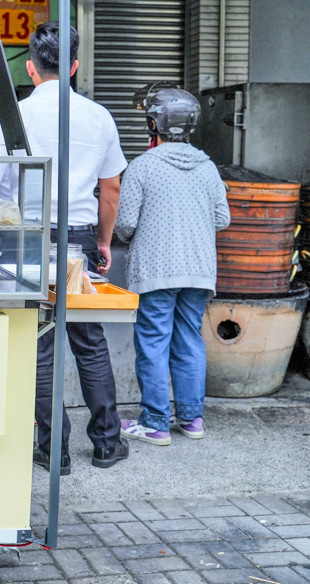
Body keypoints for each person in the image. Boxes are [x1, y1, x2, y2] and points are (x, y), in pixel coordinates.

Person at [0, 21, 129, 474]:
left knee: (39, 342)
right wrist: (102, 240)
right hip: (79, 236)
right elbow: (112, 190)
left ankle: (52, 449)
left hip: (26, 239)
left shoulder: (17, 113)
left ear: (30, 68)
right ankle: (106, 443)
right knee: (89, 340)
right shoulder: (99, 116)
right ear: (75, 67)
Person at [116, 88, 230, 445]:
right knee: (189, 342)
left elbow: (125, 225)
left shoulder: (143, 166)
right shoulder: (208, 167)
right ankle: (191, 419)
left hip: (156, 270)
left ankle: (155, 423)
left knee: (153, 343)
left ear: (154, 124)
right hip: (198, 270)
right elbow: (222, 219)